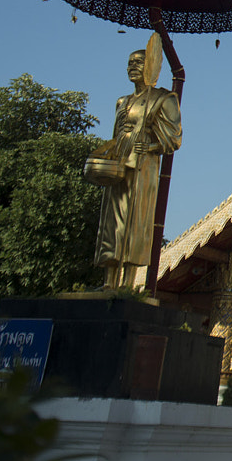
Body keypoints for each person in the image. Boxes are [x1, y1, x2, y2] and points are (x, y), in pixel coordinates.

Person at [89, 44, 182, 288]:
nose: (132, 68)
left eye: (138, 63)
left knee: (137, 221)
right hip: (119, 162)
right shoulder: (123, 101)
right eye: (130, 63)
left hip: (143, 166)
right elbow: (115, 134)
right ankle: (109, 280)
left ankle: (129, 283)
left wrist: (151, 148)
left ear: (151, 67)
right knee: (112, 222)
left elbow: (174, 138)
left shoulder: (163, 98)